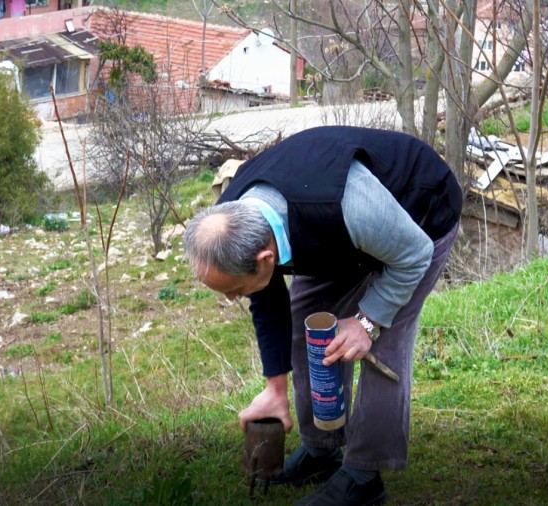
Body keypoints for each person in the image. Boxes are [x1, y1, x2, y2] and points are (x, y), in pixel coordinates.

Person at [184, 126, 462, 506]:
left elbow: (413, 255)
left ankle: (364, 475)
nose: (233, 298)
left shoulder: (346, 204)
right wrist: (275, 388)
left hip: (418, 218)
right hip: (339, 236)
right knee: (309, 323)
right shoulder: (234, 218)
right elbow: (266, 297)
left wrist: (367, 322)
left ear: (265, 259)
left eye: (234, 289)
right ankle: (322, 447)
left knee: (380, 344)